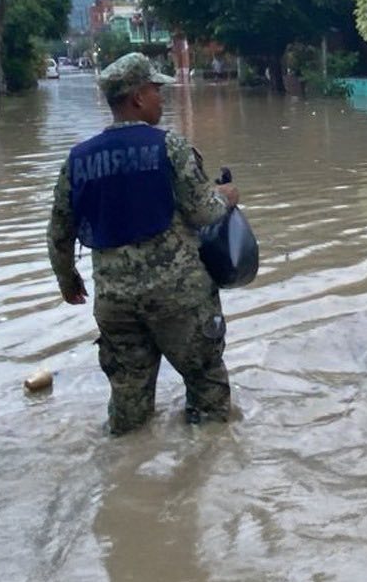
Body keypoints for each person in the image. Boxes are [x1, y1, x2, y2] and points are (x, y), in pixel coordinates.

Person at [46, 53, 241, 434]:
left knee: (128, 406)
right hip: (179, 298)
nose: (161, 97)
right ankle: (206, 477)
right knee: (208, 396)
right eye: (155, 90)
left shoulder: (78, 160)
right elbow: (204, 212)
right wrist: (227, 195)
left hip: (115, 303)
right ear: (137, 97)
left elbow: (58, 232)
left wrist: (68, 281)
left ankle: (126, 482)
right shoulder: (169, 147)